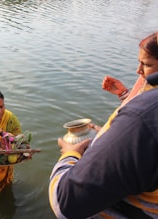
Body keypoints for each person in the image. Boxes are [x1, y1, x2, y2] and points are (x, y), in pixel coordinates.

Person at [49, 32, 158, 218]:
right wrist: (125, 95)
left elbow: (65, 203)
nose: (138, 71)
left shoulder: (142, 120)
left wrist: (68, 155)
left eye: (147, 65)